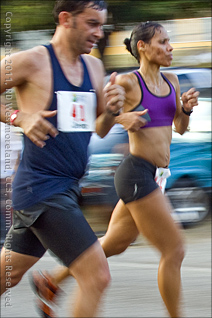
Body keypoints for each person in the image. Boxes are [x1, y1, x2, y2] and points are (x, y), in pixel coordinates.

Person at [29, 21, 200, 318]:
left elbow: (180, 129)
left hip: (157, 176)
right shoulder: (127, 83)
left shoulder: (172, 81)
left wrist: (184, 110)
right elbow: (100, 124)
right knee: (174, 249)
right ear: (142, 47)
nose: (170, 47)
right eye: (162, 42)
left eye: (170, 41)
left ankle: (50, 282)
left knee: (114, 244)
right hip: (135, 173)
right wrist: (123, 119)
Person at [0, 1, 128, 317]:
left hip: (67, 188)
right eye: (92, 24)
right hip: (42, 190)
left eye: (102, 25)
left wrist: (113, 110)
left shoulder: (94, 67)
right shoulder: (31, 61)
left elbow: (98, 128)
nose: (99, 33)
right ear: (66, 19)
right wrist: (19, 116)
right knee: (96, 276)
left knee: (10, 274)